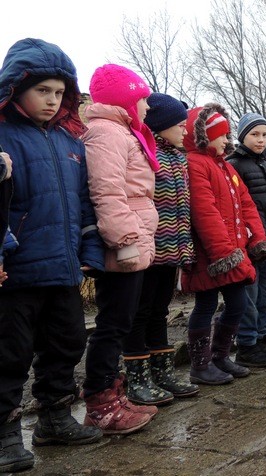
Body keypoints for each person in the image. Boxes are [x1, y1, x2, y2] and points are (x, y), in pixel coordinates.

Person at [0, 38, 105, 472]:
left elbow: (84, 202)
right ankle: (5, 435)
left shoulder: (70, 142)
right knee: (9, 352)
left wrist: (90, 252)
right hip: (16, 271)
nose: (52, 100)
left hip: (63, 265)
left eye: (60, 93)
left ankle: (55, 417)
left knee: (67, 342)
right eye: (43, 90)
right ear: (16, 87)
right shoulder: (3, 137)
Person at [82, 64, 161, 434]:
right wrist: (126, 242)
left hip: (134, 240)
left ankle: (114, 394)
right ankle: (101, 402)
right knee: (113, 324)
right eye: (142, 99)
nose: (147, 107)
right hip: (124, 245)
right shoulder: (107, 133)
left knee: (121, 320)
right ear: (126, 99)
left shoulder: (124, 132)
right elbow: (108, 191)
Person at [182, 103, 266, 385]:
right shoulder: (196, 164)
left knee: (237, 304)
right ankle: (200, 365)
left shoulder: (224, 166)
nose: (227, 140)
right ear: (204, 136)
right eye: (221, 135)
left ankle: (221, 356)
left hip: (233, 250)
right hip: (210, 253)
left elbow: (246, 205)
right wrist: (223, 252)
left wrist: (258, 239)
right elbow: (205, 212)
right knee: (206, 305)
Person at [121, 93, 199, 406]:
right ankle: (137, 378)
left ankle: (161, 372)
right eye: (179, 125)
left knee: (159, 310)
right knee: (140, 311)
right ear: (161, 124)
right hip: (148, 247)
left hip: (172, 248)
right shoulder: (144, 151)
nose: (185, 131)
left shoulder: (178, 157)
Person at [228, 113, 266, 367]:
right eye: (254, 134)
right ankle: (247, 344)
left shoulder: (265, 165)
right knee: (250, 298)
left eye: (264, 134)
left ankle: (263, 340)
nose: (261, 140)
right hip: (250, 240)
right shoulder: (235, 164)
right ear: (242, 136)